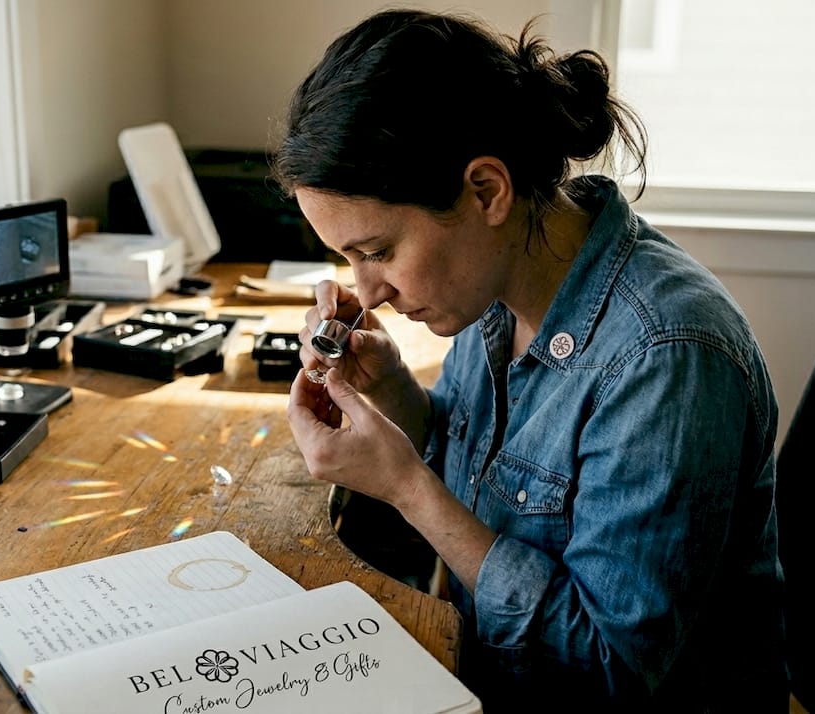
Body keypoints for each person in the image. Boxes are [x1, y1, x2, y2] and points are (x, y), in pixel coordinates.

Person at [274, 8, 786, 712]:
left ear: (487, 191)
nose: (370, 294)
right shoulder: (496, 290)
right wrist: (396, 397)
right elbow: (494, 482)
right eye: (348, 261)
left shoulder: (667, 354)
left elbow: (609, 675)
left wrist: (405, 489)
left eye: (380, 251)